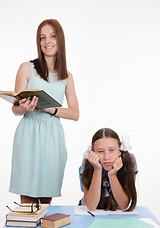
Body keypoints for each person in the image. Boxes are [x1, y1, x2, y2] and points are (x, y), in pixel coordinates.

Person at [9, 19, 79, 205]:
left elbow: (75, 113)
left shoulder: (67, 76)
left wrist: (50, 108)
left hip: (52, 137)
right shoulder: (27, 68)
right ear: (38, 42)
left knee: (46, 203)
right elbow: (15, 108)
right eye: (42, 37)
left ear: (60, 39)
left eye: (52, 36)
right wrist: (22, 107)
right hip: (28, 133)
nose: (47, 41)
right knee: (27, 200)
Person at [79, 128, 137, 212]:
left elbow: (124, 205)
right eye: (101, 151)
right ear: (92, 152)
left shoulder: (129, 160)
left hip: (118, 213)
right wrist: (97, 169)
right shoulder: (88, 161)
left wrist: (112, 176)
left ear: (120, 150)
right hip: (90, 212)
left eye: (112, 150)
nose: (106, 157)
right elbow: (91, 207)